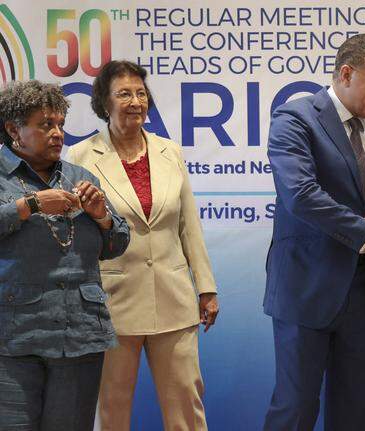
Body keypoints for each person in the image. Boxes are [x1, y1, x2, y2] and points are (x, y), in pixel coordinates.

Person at [262, 34, 365, 431]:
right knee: (295, 409)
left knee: (354, 412)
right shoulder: (295, 118)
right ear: (346, 74)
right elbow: (300, 195)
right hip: (306, 287)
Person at [66, 60, 219, 431]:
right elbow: (78, 236)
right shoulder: (79, 157)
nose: (135, 101)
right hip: (111, 302)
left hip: (175, 298)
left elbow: (188, 225)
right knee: (112, 407)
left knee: (187, 404)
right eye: (124, 94)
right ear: (104, 102)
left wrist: (206, 287)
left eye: (140, 93)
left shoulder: (170, 151)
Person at [0, 80, 129, 430]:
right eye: (45, 125)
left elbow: (117, 244)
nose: (58, 134)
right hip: (13, 341)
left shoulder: (80, 177)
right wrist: (30, 205)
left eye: (60, 125)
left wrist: (102, 215)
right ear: (15, 129)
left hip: (80, 336)